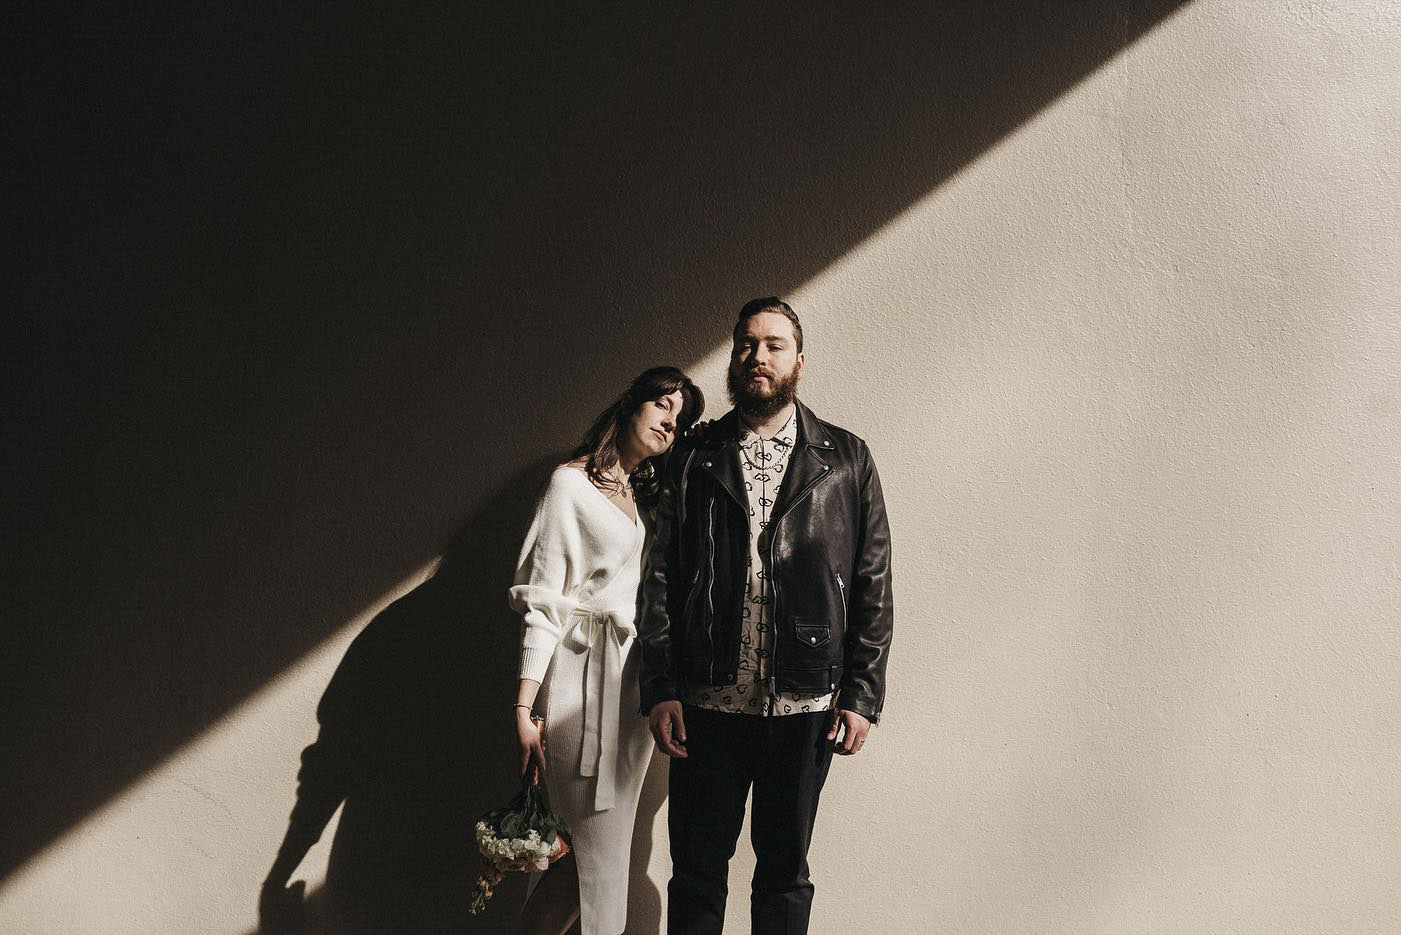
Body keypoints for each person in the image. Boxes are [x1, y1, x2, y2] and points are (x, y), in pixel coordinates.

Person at [637, 298, 894, 934]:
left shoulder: (847, 459)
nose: (759, 357)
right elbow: (660, 577)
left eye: (774, 345)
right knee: (696, 873)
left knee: (784, 875)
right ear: (734, 357)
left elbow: (873, 584)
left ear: (799, 361)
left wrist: (862, 694)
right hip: (707, 703)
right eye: (747, 344)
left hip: (806, 707)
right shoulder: (696, 456)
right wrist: (661, 687)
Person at [510, 365, 704, 935]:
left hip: (631, 689)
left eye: (681, 417)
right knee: (586, 850)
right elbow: (543, 602)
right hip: (578, 681)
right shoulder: (568, 486)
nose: (671, 422)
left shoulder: (646, 498)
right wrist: (524, 709)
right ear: (630, 405)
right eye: (662, 405)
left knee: (606, 851)